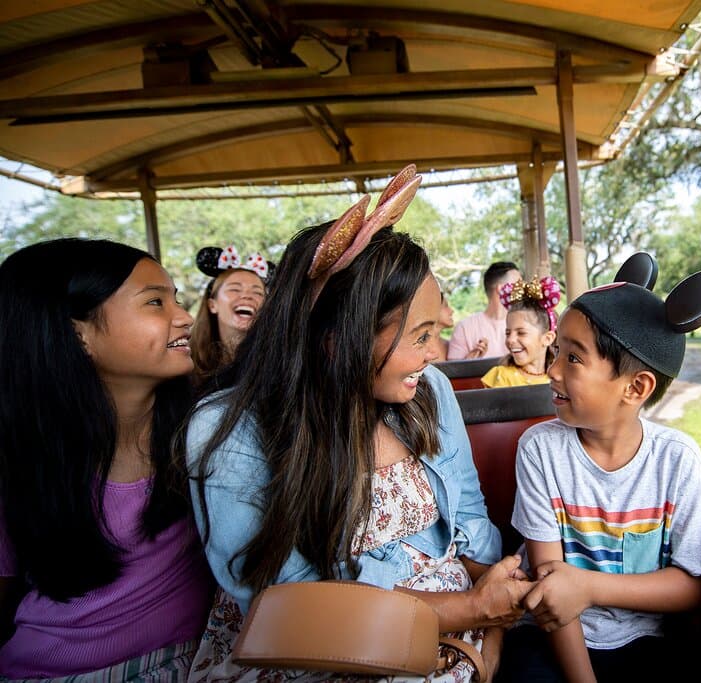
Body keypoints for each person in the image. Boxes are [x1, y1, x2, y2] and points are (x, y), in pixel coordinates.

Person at [182, 166, 533, 680]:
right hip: (320, 643)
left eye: (436, 331)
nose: (434, 353)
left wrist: (494, 614)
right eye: (419, 336)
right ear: (338, 341)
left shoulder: (428, 392)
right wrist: (471, 612)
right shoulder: (230, 433)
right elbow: (291, 600)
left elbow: (470, 519)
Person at [501, 261, 701, 682]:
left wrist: (588, 587)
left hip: (642, 641)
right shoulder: (540, 450)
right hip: (550, 635)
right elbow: (551, 586)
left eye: (573, 358)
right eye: (557, 353)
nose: (552, 370)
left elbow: (696, 585)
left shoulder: (678, 461)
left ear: (636, 388)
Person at [0, 238, 214, 679]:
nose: (185, 316)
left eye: (175, 297)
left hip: (193, 659)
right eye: (155, 302)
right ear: (79, 335)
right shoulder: (16, 458)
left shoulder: (205, 432)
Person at [191, 245, 274, 387]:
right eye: (235, 289)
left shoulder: (278, 361)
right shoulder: (187, 364)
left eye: (257, 292)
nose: (247, 296)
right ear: (212, 304)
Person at [480, 276, 561, 388]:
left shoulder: (560, 378)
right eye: (508, 333)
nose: (510, 340)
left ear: (547, 339)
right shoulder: (501, 377)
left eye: (521, 333)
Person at [448, 261, 521, 360]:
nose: (523, 290)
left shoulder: (525, 326)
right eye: (518, 285)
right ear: (501, 289)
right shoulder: (464, 328)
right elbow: (453, 372)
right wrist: (471, 359)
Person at [428, 286, 456, 361]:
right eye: (446, 306)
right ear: (433, 309)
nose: (452, 311)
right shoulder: (419, 346)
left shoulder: (449, 345)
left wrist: (469, 359)